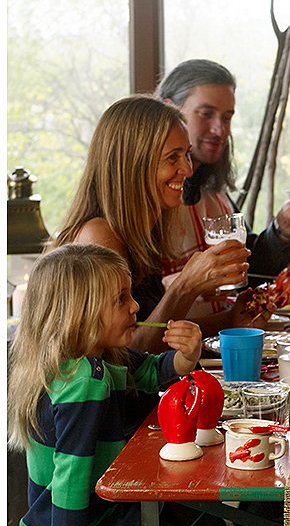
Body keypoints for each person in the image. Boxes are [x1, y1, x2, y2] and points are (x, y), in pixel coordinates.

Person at [7, 244, 231, 526]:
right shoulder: (81, 385)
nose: (135, 306)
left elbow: (146, 371)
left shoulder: (94, 358)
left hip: (99, 511)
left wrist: (184, 358)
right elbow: (70, 477)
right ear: (81, 313)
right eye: (120, 298)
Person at [52, 94, 262, 353]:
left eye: (186, 154)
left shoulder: (144, 229)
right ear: (133, 163)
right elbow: (126, 360)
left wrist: (230, 319)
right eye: (173, 158)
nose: (188, 169)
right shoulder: (98, 237)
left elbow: (152, 330)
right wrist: (186, 286)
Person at [155, 58, 290, 296]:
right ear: (169, 109)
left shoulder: (213, 188)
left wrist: (284, 226)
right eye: (206, 114)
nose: (219, 130)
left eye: (227, 118)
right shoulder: (151, 197)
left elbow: (250, 271)